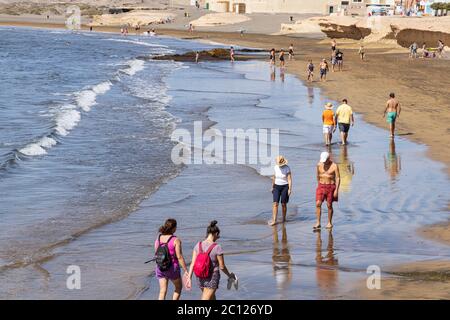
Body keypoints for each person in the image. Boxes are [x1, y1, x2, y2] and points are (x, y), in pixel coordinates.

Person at [187, 221, 236, 300]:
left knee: (211, 297)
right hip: (212, 276)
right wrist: (230, 276)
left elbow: (193, 263)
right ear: (216, 234)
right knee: (206, 298)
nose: (218, 238)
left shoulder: (197, 245)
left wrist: (189, 277)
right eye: (218, 236)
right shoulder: (217, 247)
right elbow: (222, 266)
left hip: (199, 276)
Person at [154, 219, 189, 300]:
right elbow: (179, 257)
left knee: (162, 290)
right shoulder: (176, 240)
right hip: (172, 268)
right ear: (174, 228)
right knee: (178, 287)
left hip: (160, 267)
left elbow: (156, 253)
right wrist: (185, 270)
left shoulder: (158, 238)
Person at [314, 152, 340, 230]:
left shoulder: (334, 166)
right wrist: (319, 184)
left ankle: (329, 222)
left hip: (330, 187)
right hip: (321, 186)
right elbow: (317, 175)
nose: (324, 162)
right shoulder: (319, 164)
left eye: (325, 160)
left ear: (329, 158)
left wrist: (336, 190)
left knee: (329, 205)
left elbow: (338, 178)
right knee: (318, 203)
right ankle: (318, 222)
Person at [269, 156, 292, 226]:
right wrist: (272, 187)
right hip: (276, 186)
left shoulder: (287, 168)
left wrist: (290, 189)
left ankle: (284, 218)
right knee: (275, 203)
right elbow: (274, 177)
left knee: (283, 204)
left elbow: (289, 179)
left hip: (285, 186)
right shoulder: (275, 167)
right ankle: (274, 220)